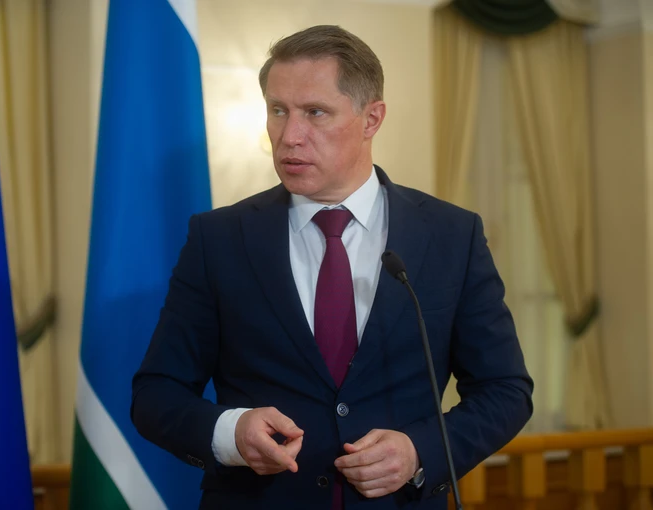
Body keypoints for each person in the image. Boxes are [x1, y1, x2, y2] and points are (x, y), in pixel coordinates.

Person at [131, 25, 533, 510]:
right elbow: (156, 394)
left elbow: (504, 390)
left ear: (372, 118)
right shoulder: (218, 239)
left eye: (315, 112)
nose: (289, 136)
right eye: (278, 111)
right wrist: (230, 432)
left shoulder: (452, 235)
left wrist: (419, 450)